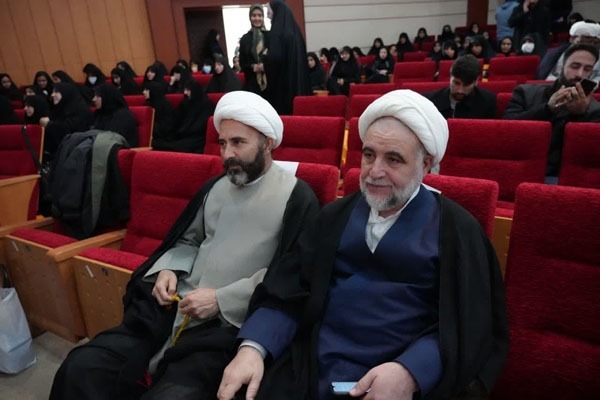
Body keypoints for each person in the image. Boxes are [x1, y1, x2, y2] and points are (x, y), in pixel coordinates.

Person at [217, 89, 509, 400]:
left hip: (400, 380)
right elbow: (288, 292)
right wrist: (254, 347)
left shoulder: (458, 232)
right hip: (309, 369)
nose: (374, 171)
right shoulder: (333, 218)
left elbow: (469, 327)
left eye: (393, 159)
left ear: (425, 165)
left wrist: (412, 372)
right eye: (369, 155)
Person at [50, 90, 319, 400]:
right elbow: (188, 240)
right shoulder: (216, 187)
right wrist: (168, 269)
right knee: (81, 367)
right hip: (171, 312)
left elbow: (290, 278)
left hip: (227, 327)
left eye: (238, 143)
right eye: (222, 143)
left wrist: (221, 299)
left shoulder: (298, 198)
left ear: (267, 143)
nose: (227, 154)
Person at [504, 43, 600, 178]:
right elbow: (507, 130)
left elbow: (586, 156)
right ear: (562, 66)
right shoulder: (525, 92)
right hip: (519, 168)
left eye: (587, 69)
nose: (580, 74)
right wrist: (547, 109)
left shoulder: (595, 110)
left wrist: (579, 115)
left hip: (560, 177)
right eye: (575, 66)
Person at [263, 0, 310, 114]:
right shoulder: (295, 32)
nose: (268, 16)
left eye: (269, 12)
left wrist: (264, 58)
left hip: (283, 88)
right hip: (297, 84)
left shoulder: (277, 33)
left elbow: (274, 59)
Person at [424, 54, 497, 119]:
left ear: (476, 82)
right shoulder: (429, 101)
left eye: (466, 85)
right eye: (456, 83)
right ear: (450, 77)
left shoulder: (488, 102)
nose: (460, 90)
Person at [152, 79, 214, 153]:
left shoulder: (207, 105)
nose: (185, 92)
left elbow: (201, 127)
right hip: (182, 135)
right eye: (185, 90)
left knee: (172, 147)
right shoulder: (185, 103)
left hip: (197, 138)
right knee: (158, 143)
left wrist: (185, 130)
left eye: (188, 90)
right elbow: (176, 121)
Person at [40, 83, 93, 160]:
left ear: (66, 93)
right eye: (53, 92)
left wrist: (49, 124)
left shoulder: (80, 109)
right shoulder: (59, 108)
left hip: (76, 151)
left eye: (56, 92)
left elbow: (69, 129)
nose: (52, 95)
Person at [238, 4, 269, 95]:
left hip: (270, 82)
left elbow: (275, 58)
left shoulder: (270, 36)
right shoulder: (245, 39)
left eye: (260, 15)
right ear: (250, 18)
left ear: (263, 17)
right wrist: (252, 67)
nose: (257, 18)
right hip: (251, 83)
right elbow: (242, 62)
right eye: (254, 15)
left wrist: (265, 66)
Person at [143, 81, 174, 149]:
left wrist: (151, 130)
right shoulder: (147, 103)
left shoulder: (166, 105)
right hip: (150, 136)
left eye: (146, 90)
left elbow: (166, 126)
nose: (144, 92)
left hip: (163, 137)